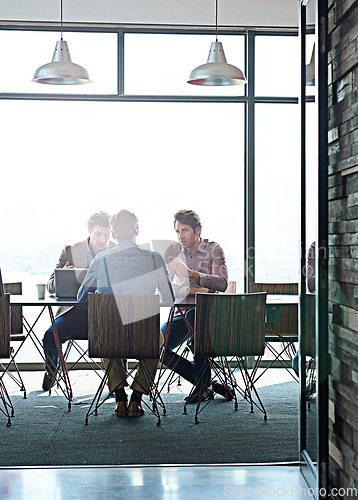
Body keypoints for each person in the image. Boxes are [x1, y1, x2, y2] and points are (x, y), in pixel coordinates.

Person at [77, 210, 174, 418]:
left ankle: (120, 399)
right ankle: (136, 400)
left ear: (112, 234)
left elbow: (81, 297)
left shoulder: (101, 259)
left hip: (109, 339)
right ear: (136, 231)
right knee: (157, 338)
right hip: (143, 338)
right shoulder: (155, 259)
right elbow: (169, 299)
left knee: (104, 333)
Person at [161, 209, 229, 403]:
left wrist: (191, 274)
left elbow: (222, 284)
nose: (180, 236)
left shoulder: (213, 249)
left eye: (185, 231)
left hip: (207, 315)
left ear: (197, 230)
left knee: (198, 326)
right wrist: (196, 290)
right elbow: (165, 289)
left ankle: (203, 385)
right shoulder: (173, 251)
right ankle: (205, 382)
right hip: (181, 314)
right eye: (177, 231)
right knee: (156, 344)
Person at [42, 211, 116, 391]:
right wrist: (65, 275)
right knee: (50, 336)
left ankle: (118, 385)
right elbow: (50, 286)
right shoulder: (70, 250)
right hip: (73, 313)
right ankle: (52, 370)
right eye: (98, 234)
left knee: (118, 339)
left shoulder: (116, 251)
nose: (102, 240)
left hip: (105, 314)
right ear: (90, 230)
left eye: (106, 235)